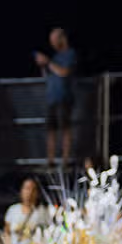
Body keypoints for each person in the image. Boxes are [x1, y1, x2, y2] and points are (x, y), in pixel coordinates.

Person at [34, 27, 77, 173]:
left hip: (64, 97)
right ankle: (50, 161)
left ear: (62, 38)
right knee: (50, 130)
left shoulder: (70, 54)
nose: (52, 43)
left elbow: (63, 72)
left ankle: (65, 161)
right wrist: (43, 65)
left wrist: (48, 62)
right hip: (51, 98)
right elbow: (48, 76)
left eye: (54, 40)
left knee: (65, 129)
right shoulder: (55, 56)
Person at [3, 175, 48, 239]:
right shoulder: (13, 210)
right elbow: (7, 232)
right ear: (21, 191)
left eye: (33, 190)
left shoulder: (43, 211)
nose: (30, 192)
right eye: (27, 188)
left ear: (38, 193)